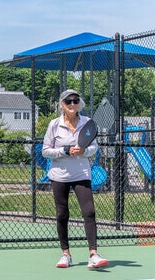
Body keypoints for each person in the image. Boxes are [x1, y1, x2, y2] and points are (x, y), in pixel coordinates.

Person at [42, 89, 109, 269]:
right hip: (59, 176)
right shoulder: (54, 125)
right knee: (62, 214)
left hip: (81, 174)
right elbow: (45, 150)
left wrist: (83, 151)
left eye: (75, 101)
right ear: (62, 105)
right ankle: (66, 254)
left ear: (79, 103)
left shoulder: (88, 123)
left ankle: (93, 254)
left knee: (89, 211)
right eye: (68, 101)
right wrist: (64, 151)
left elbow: (93, 147)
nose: (72, 104)